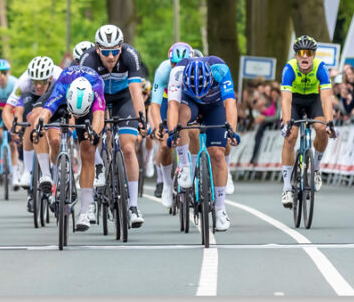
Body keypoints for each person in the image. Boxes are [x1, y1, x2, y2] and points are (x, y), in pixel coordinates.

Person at [79, 24, 149, 227]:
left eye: (115, 51)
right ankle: (99, 167)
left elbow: (136, 91)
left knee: (128, 147)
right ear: (97, 48)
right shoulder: (88, 59)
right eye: (106, 52)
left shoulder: (130, 55)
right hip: (96, 98)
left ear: (121, 47)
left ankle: (133, 206)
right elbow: (85, 94)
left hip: (123, 99)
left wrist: (142, 119)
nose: (111, 57)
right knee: (89, 145)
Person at [166, 54, 239, 232]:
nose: (201, 93)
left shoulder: (220, 69)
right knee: (181, 118)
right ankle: (185, 165)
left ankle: (220, 209)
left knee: (217, 154)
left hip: (215, 106)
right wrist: (172, 131)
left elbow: (230, 103)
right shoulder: (177, 72)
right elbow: (173, 106)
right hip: (190, 104)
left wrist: (232, 131)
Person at [33, 64, 107, 232]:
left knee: (88, 150)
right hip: (62, 100)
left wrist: (94, 134)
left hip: (86, 105)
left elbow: (99, 115)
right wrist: (40, 126)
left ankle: (84, 212)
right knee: (38, 124)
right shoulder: (62, 86)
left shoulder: (96, 86)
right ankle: (49, 173)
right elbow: (46, 112)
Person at [278, 36, 337, 209]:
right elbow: (286, 100)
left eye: (309, 53)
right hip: (294, 101)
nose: (305, 56)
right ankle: (287, 187)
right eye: (301, 53)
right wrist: (288, 122)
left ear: (314, 55)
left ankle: (316, 168)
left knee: (321, 128)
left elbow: (326, 99)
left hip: (313, 100)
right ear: (296, 55)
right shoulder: (289, 68)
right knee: (291, 136)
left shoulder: (321, 67)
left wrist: (330, 122)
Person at [2, 56, 62, 195]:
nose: (39, 86)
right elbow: (7, 109)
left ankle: (57, 166)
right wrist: (13, 129)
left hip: (55, 96)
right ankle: (28, 171)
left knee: (54, 135)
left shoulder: (59, 76)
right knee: (31, 119)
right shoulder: (24, 81)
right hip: (33, 99)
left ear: (50, 78)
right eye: (35, 82)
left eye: (42, 81)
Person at [149, 42, 192, 207]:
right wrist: (158, 126)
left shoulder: (196, 68)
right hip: (168, 101)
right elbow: (155, 105)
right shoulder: (163, 71)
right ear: (169, 62)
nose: (177, 67)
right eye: (174, 64)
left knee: (193, 132)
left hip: (186, 100)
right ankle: (167, 185)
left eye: (181, 64)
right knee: (165, 145)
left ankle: (193, 171)